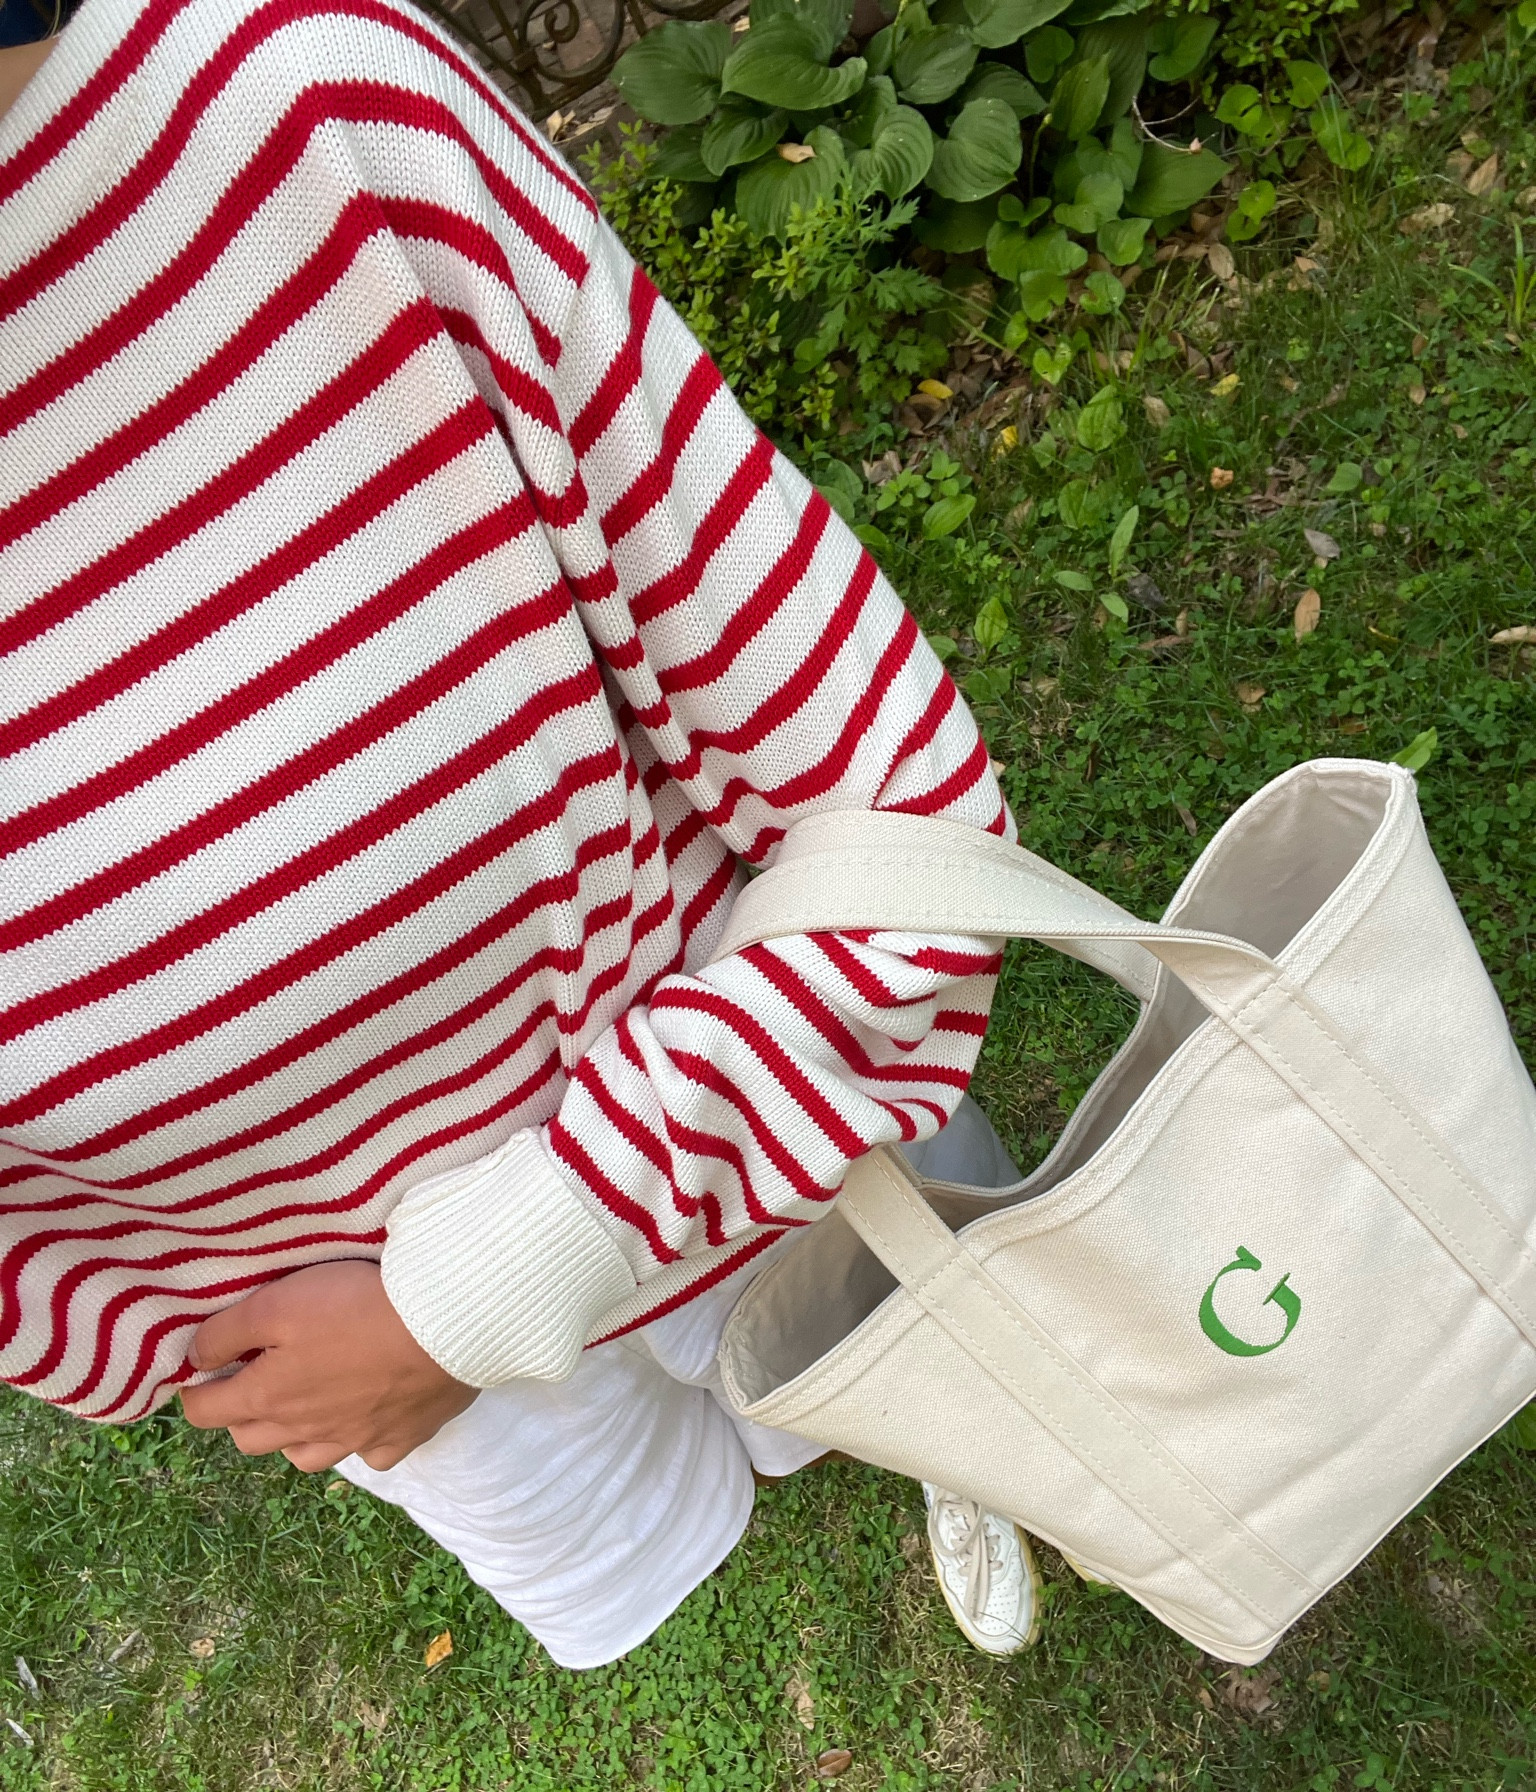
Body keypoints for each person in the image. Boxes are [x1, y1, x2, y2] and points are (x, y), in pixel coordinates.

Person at [0, 0, 1041, 1663]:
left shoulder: (307, 102)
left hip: (746, 1098)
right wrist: (199, 1350)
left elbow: (892, 801)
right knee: (675, 1492)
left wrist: (473, 1293)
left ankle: (964, 1429)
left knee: (935, 1335)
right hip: (336, 1336)